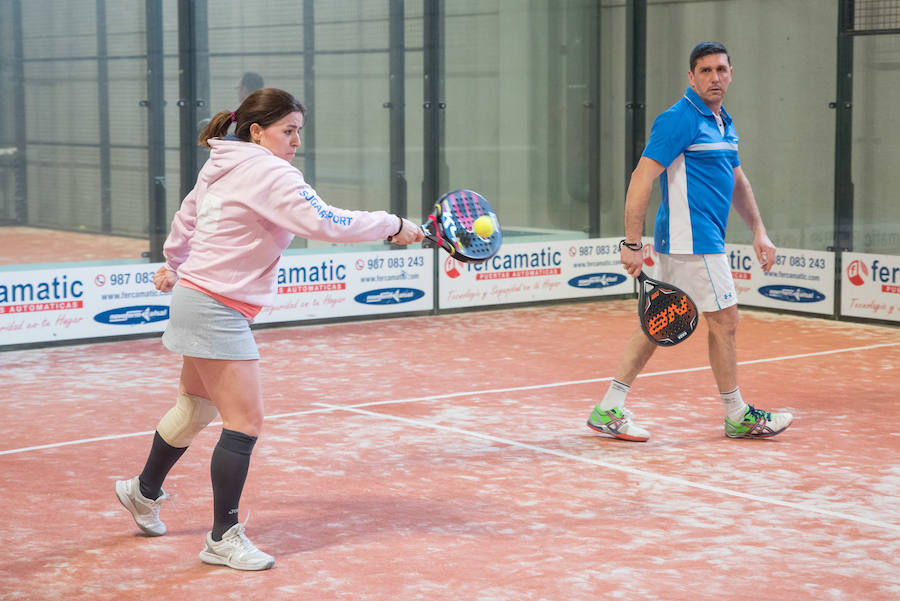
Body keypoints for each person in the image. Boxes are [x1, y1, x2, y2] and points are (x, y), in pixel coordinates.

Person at [115, 88, 423, 570]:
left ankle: (142, 491)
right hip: (215, 305)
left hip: (197, 297)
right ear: (257, 131)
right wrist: (393, 225)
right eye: (288, 130)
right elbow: (324, 222)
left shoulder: (224, 162)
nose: (297, 139)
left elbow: (188, 215)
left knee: (195, 409)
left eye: (299, 130)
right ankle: (223, 538)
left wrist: (174, 262)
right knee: (244, 422)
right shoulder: (269, 170)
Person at [586, 42, 792, 442]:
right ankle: (736, 414)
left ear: (731, 73)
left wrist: (758, 230)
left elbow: (736, 180)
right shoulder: (677, 120)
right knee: (725, 322)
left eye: (721, 70)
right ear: (691, 76)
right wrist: (631, 242)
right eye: (705, 71)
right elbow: (641, 178)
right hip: (693, 240)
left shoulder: (723, 122)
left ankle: (608, 407)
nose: (714, 77)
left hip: (693, 239)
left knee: (659, 323)